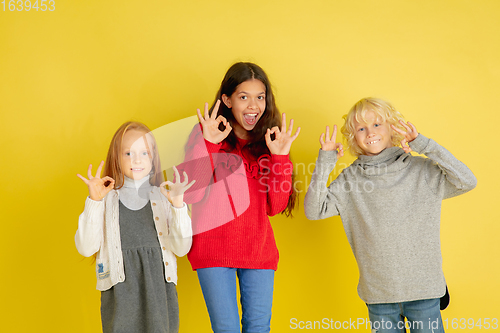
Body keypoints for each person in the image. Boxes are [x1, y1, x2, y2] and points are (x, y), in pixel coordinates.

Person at [304, 98, 476, 333]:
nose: (370, 133)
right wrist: (324, 162)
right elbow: (314, 211)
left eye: (376, 124)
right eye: (361, 128)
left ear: (392, 127)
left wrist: (424, 145)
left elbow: (467, 181)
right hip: (378, 296)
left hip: (424, 290)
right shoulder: (350, 179)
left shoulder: (420, 170)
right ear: (353, 137)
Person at [176, 62, 300, 333]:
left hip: (258, 251)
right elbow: (190, 193)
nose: (253, 105)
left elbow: (275, 207)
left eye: (260, 97)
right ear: (227, 100)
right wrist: (208, 143)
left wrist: (280, 156)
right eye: (244, 97)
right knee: (226, 329)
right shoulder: (206, 134)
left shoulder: (269, 143)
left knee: (258, 328)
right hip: (213, 251)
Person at [75, 121, 194, 333]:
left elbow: (181, 248)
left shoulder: (164, 197)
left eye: (144, 153)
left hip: (160, 289)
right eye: (128, 153)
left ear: (154, 158)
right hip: (121, 292)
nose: (137, 159)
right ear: (116, 157)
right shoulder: (106, 199)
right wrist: (94, 202)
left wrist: (178, 206)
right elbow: (85, 248)